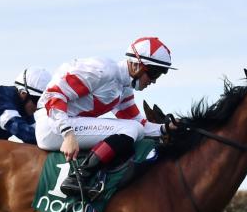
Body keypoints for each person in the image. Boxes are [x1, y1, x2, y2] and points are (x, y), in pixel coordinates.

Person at [34, 37, 176, 198]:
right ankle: (78, 177)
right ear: (136, 64)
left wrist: (166, 128)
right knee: (131, 128)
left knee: (134, 128)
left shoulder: (124, 88)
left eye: (160, 74)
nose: (154, 81)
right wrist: (67, 134)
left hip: (66, 125)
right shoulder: (102, 70)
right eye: (154, 72)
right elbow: (54, 94)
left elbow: (139, 123)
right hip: (53, 125)